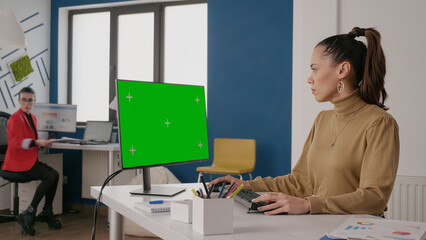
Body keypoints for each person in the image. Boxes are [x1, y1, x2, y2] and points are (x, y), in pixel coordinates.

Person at [210, 27, 399, 216]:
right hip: (319, 224)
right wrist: (247, 184)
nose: (310, 79)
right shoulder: (322, 119)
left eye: (315, 69)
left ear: (343, 70)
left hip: (356, 231)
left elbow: (375, 198)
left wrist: (309, 205)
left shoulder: (379, 123)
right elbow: (301, 181)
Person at [1, 87, 62, 235]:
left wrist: (42, 144)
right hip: (16, 163)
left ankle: (47, 211)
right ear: (19, 101)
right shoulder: (15, 118)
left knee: (55, 174)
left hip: (29, 160)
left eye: (30, 100)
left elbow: (30, 141)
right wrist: (37, 142)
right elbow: (16, 143)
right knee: (49, 176)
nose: (26, 103)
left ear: (34, 102)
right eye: (23, 100)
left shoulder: (32, 117)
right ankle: (29, 211)